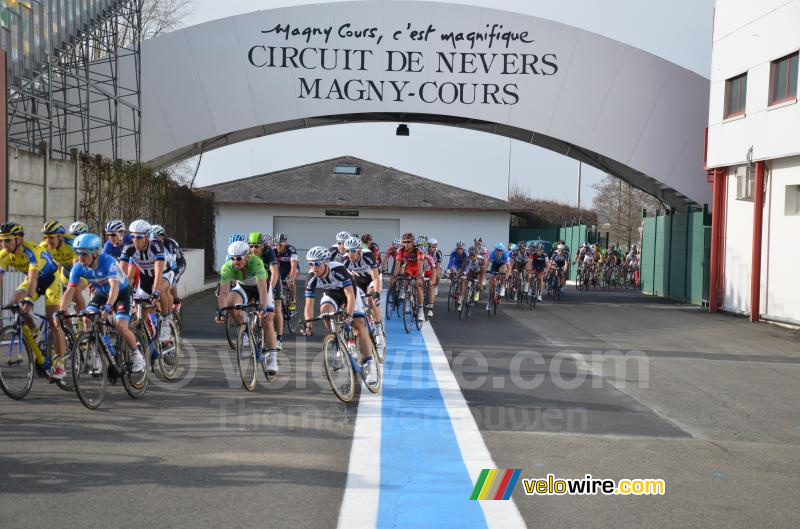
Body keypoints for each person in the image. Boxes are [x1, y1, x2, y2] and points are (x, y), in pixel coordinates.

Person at [59, 232, 145, 373]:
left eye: (84, 254)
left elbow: (114, 287)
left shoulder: (108, 261)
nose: (81, 258)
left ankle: (137, 355)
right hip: (102, 294)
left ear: (94, 253)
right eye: (78, 254)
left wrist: (109, 306)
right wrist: (62, 310)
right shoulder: (79, 267)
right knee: (87, 318)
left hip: (121, 293)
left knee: (120, 326)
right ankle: (99, 354)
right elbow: (69, 291)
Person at [302, 246, 377, 386]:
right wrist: (308, 326)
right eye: (310, 264)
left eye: (317, 263)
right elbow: (309, 305)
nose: (314, 267)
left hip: (349, 293)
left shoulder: (338, 270)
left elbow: (350, 295)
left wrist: (349, 315)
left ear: (325, 262)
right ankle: (337, 338)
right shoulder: (311, 278)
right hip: (332, 294)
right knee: (325, 311)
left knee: (358, 325)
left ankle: (370, 364)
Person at [0, 222, 67, 379]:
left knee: (53, 319)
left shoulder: (31, 251)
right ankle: (36, 332)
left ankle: (61, 364)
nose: (4, 244)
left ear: (18, 240)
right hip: (33, 281)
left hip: (50, 281)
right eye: (1, 241)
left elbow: (32, 278)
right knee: (14, 302)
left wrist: (29, 299)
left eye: (7, 240)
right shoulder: (3, 255)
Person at [214, 240, 278, 375]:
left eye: (238, 258)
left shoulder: (256, 263)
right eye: (232, 258)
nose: (235, 261)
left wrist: (263, 306)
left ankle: (273, 359)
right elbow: (224, 293)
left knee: (267, 320)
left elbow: (262, 288)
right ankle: (245, 333)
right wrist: (220, 311)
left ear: (246, 257)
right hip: (243, 287)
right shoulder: (227, 267)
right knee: (231, 303)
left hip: (261, 288)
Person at [119, 220, 174, 343]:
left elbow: (159, 272)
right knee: (141, 308)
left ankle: (166, 322)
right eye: (132, 236)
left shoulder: (156, 246)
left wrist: (155, 291)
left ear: (147, 237)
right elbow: (121, 273)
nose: (135, 240)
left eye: (138, 237)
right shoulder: (129, 247)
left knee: (160, 291)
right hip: (146, 277)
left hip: (164, 274)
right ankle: (150, 335)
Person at [342, 236, 385, 349]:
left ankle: (379, 331)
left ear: (359, 250)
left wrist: (376, 293)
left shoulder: (367, 255)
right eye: (347, 251)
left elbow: (375, 277)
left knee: (371, 300)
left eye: (352, 251)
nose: (349, 254)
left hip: (372, 279)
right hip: (359, 282)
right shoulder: (345, 260)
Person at [247, 232, 283, 350]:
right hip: (258, 280)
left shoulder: (269, 252)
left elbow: (274, 272)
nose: (253, 249)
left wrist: (271, 289)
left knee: (276, 310)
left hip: (272, 280)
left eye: (256, 246)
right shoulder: (247, 253)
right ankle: (250, 330)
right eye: (251, 246)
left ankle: (279, 339)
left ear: (262, 245)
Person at [40, 220, 86, 311]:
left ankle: (82, 319)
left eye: (51, 237)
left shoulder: (72, 243)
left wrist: (71, 285)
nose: (47, 240)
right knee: (60, 301)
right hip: (66, 271)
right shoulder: (44, 245)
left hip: (82, 270)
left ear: (60, 237)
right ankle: (65, 323)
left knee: (75, 290)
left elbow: (76, 265)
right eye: (45, 237)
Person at [390, 232, 428, 322]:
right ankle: (407, 297)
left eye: (408, 242)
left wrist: (419, 276)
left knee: (418, 286)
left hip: (418, 268)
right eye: (404, 242)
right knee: (405, 280)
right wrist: (395, 276)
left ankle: (421, 310)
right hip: (409, 268)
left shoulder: (417, 250)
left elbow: (420, 263)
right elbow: (398, 263)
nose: (406, 244)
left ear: (412, 242)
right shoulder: (401, 250)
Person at [149, 224, 186, 314]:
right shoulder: (151, 245)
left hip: (178, 264)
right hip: (167, 266)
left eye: (162, 236)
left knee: (167, 287)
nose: (161, 239)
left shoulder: (169, 244)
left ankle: (176, 302)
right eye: (158, 237)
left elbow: (171, 265)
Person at [274, 233, 299, 312]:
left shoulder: (291, 249)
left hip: (292, 268)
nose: (278, 247)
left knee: (290, 282)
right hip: (281, 268)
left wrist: (290, 277)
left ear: (285, 244)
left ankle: (292, 300)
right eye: (276, 244)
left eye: (280, 245)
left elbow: (294, 265)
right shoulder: (273, 250)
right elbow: (274, 266)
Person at [486, 242, 510, 309]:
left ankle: (502, 286)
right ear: (495, 250)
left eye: (500, 250)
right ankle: (489, 301)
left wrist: (507, 275)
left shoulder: (505, 255)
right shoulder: (492, 253)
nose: (498, 252)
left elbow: (509, 268)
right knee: (491, 281)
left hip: (503, 265)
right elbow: (487, 263)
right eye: (497, 250)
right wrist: (485, 271)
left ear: (502, 251)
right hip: (495, 265)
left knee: (502, 271)